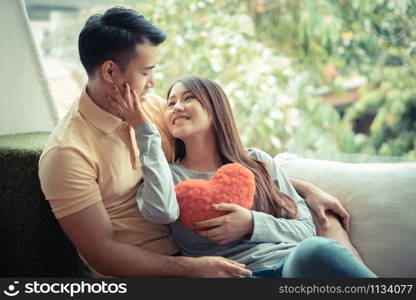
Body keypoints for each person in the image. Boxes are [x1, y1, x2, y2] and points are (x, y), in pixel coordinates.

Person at [38, 6, 358, 278]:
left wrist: (300, 186)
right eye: (147, 71)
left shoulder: (149, 106)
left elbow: (214, 156)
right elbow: (101, 253)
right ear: (110, 71)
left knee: (324, 224)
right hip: (166, 270)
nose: (154, 83)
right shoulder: (68, 153)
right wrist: (189, 268)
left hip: (247, 253)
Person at [110, 75, 376, 277]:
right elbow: (160, 213)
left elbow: (306, 229)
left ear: (216, 109)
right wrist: (143, 129)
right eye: (171, 102)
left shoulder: (258, 162)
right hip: (236, 275)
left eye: (188, 98)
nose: (177, 107)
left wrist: (251, 223)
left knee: (317, 249)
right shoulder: (167, 176)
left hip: (291, 265)